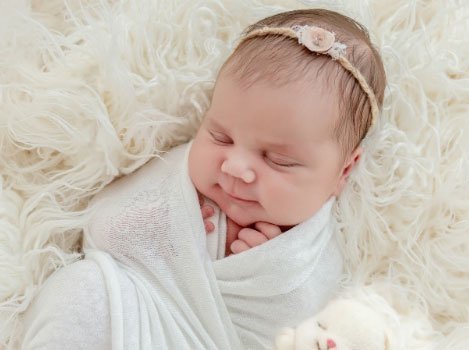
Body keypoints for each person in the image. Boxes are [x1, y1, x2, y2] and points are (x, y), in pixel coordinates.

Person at [19, 8, 386, 350]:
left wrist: (269, 276)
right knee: (81, 289)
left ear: (343, 171)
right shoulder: (176, 176)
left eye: (278, 160)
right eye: (220, 137)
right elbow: (100, 227)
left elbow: (307, 321)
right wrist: (163, 221)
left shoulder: (312, 251)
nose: (234, 167)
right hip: (131, 313)